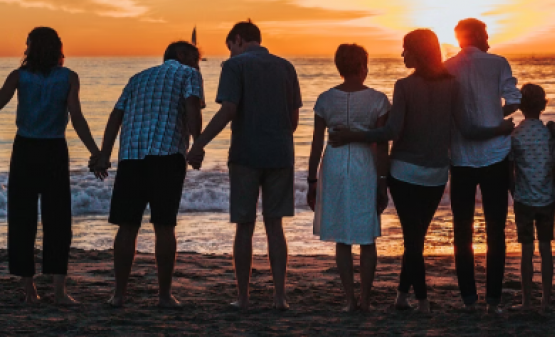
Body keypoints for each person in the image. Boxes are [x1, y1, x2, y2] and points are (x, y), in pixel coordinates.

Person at [329, 29, 513, 313]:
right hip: (437, 174)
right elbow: (467, 129)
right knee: (415, 238)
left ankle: (423, 302)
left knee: (412, 239)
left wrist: (353, 134)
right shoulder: (451, 84)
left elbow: (390, 131)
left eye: (405, 49)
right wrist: (498, 128)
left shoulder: (403, 86)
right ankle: (403, 296)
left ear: (418, 52)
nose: (402, 54)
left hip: (404, 172)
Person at [187, 20, 302, 310]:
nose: (230, 53)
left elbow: (228, 109)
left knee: (244, 227)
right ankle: (279, 297)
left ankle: (243, 298)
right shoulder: (286, 67)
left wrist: (199, 143)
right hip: (280, 155)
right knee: (275, 227)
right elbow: (294, 122)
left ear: (238, 40)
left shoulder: (234, 66)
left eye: (230, 48)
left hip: (246, 155)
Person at [90, 41, 204, 308]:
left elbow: (115, 116)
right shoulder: (189, 74)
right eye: (196, 58)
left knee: (127, 226)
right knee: (164, 226)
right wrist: (197, 143)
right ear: (181, 55)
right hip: (166, 155)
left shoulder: (138, 77)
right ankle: (164, 296)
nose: (198, 63)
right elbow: (191, 107)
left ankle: (118, 294)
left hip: (131, 156)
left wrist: (105, 154)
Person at [0, 27, 100, 304]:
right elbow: (77, 118)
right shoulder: (68, 77)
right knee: (58, 220)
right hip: (54, 150)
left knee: (22, 220)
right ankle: (59, 291)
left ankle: (29, 290)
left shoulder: (19, 76)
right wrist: (96, 152)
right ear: (58, 48)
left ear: (31, 48)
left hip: (25, 150)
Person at [443, 18, 522, 313]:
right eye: (486, 33)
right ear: (477, 35)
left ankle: (468, 299)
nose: (489, 39)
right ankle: (493, 300)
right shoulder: (498, 63)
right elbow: (514, 100)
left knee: (462, 229)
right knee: (495, 229)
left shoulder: (447, 67)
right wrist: (494, 114)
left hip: (460, 157)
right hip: (495, 156)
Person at [307, 44, 391, 312]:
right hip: (364, 164)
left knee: (342, 238)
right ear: (363, 66)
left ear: (339, 67)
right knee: (367, 237)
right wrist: (382, 181)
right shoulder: (378, 100)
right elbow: (383, 145)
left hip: (333, 164)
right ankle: (365, 300)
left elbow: (316, 144)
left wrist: (311, 181)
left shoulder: (324, 99)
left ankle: (350, 300)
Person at [509, 83, 555, 311]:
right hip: (546, 198)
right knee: (546, 248)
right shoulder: (549, 134)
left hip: (524, 199)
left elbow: (510, 170)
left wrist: (515, 192)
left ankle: (527, 301)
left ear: (521, 106)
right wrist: (551, 186)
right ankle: (547, 300)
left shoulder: (515, 135)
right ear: (542, 105)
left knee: (527, 251)